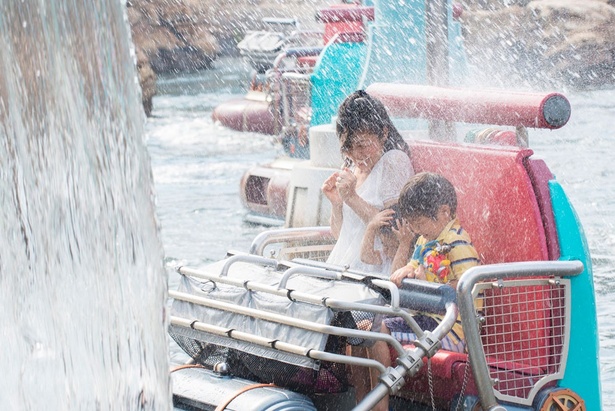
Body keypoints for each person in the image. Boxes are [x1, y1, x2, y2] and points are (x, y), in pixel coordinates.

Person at [353, 172, 481, 411]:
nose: (417, 231)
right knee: (360, 328)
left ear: (444, 212)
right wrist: (406, 270)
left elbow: (468, 288)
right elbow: (413, 265)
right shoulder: (425, 241)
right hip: (425, 322)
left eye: (420, 223)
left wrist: (429, 283)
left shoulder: (458, 243)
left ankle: (380, 405)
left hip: (449, 331)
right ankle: (363, 401)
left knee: (378, 331)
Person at [322, 90, 413, 273]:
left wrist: (353, 199)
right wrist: (337, 203)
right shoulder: (350, 167)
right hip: (345, 268)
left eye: (362, 145)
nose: (356, 154)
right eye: (348, 147)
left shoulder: (393, 162)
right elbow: (342, 237)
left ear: (384, 134)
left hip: (375, 276)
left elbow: (395, 238)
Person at [359, 204, 414, 277]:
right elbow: (366, 257)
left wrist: (404, 244)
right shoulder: (386, 257)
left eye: (393, 247)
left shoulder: (411, 261)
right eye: (384, 245)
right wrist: (371, 227)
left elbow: (396, 275)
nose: (386, 251)